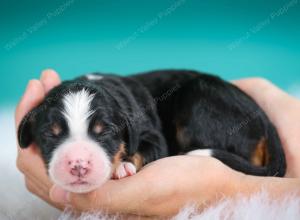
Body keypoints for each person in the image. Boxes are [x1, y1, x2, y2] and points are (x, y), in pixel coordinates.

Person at [15, 69, 300, 217]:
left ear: (128, 131)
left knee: (194, 104)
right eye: (53, 135)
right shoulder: (109, 112)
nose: (77, 162)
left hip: (218, 108)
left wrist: (133, 159)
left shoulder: (132, 117)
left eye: (102, 133)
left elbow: (154, 143)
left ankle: (226, 156)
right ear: (31, 132)